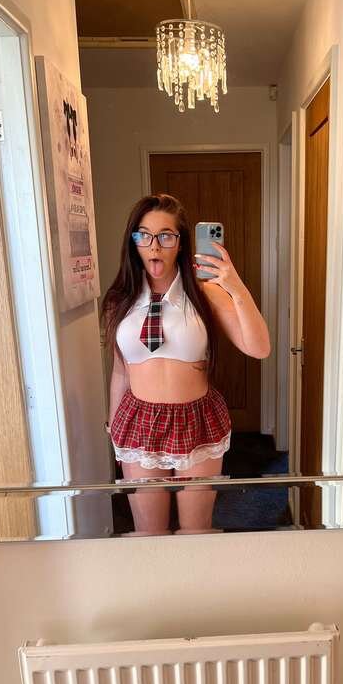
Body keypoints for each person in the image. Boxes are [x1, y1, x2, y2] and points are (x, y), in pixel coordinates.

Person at [101, 193, 270, 536]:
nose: (155, 246)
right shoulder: (119, 300)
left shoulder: (205, 293)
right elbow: (121, 371)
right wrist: (114, 428)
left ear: (180, 243)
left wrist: (235, 286)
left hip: (197, 419)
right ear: (133, 241)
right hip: (138, 421)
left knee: (196, 531)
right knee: (149, 533)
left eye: (166, 236)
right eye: (144, 235)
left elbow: (259, 348)